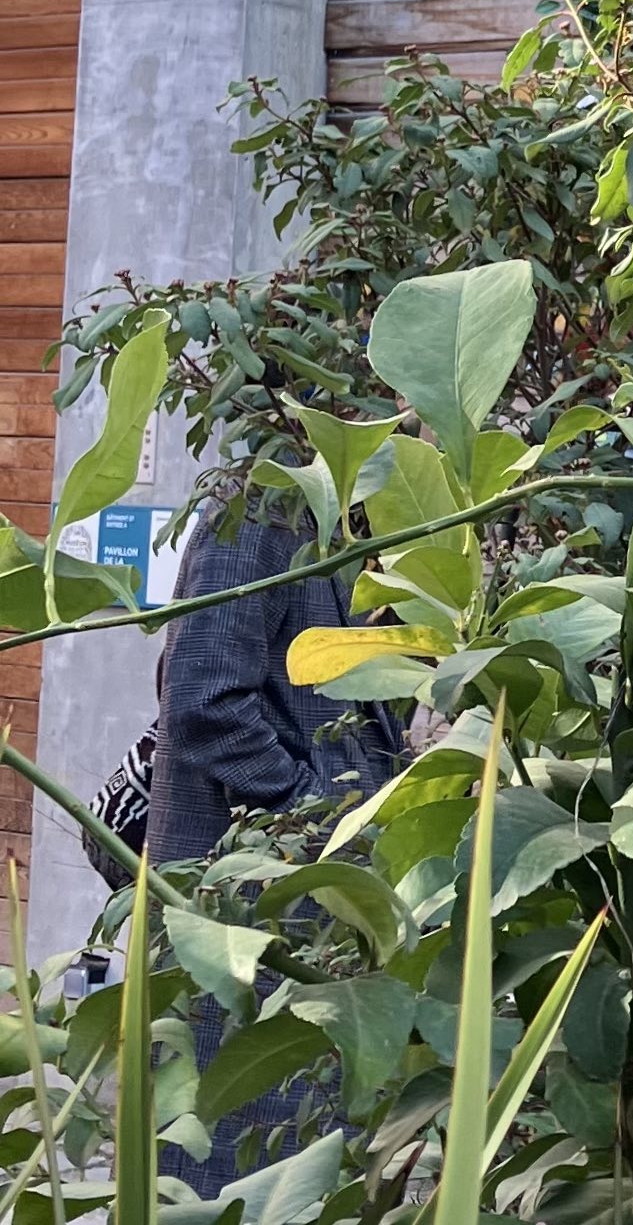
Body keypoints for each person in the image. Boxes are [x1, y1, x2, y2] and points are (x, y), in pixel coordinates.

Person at [144, 499, 406, 1194]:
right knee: (226, 1174)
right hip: (250, 923)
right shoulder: (262, 511)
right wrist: (316, 822)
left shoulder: (338, 520)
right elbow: (204, 703)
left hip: (305, 918)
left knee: (295, 1173)